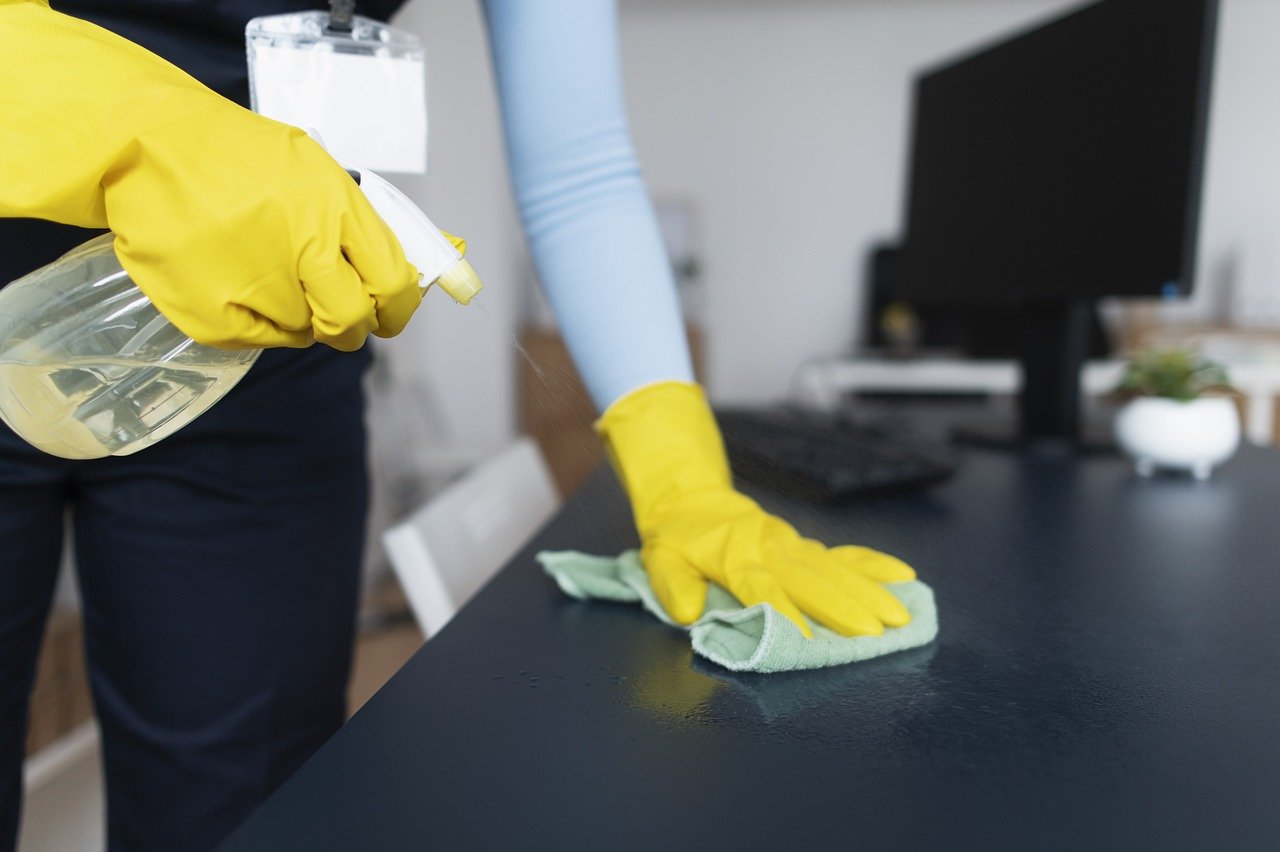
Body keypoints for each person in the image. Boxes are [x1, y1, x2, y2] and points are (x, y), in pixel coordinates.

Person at [0, 1, 918, 848]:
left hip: (262, 342)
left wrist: (683, 476)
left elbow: (580, 164)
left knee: (244, 809)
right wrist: (136, 130)